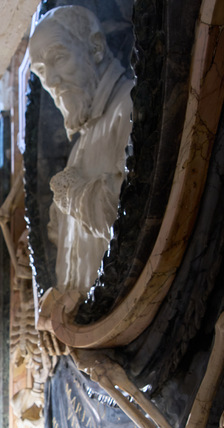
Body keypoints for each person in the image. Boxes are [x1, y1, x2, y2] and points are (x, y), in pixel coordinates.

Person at [29, 5, 134, 293]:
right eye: (40, 70)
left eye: (58, 58)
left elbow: (132, 221)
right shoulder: (85, 137)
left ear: (96, 47)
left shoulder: (128, 108)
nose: (50, 80)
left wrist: (72, 195)